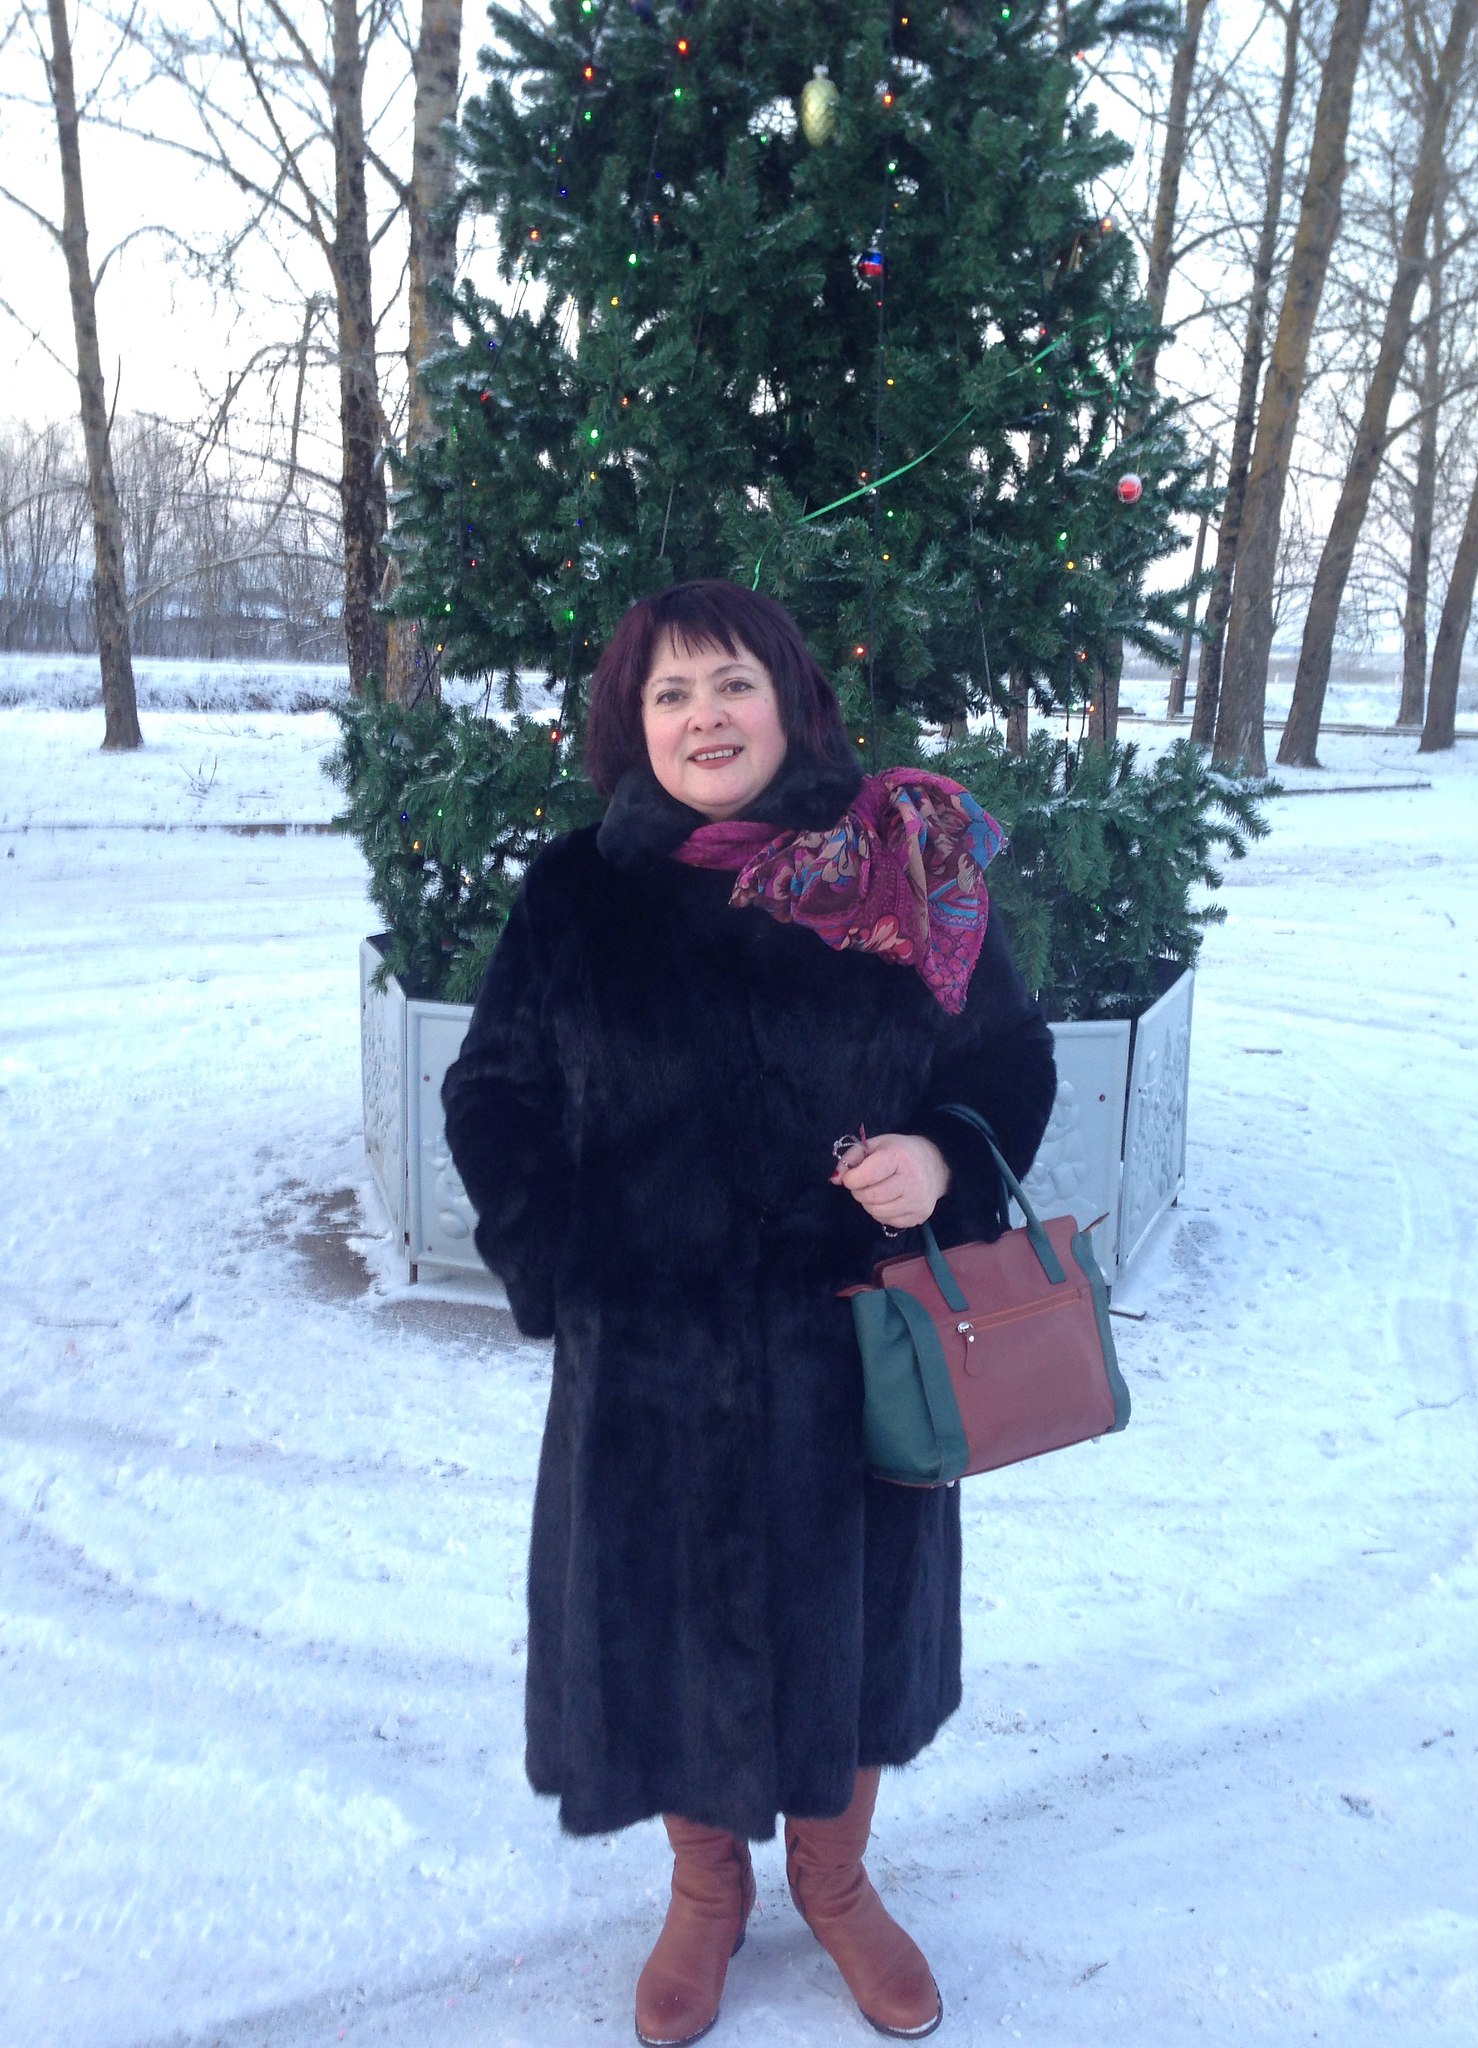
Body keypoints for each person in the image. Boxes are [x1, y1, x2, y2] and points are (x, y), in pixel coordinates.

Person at [441, 581, 1057, 2045]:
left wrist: (946, 1156)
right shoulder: (578, 894)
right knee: (667, 1627)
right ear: (632, 721)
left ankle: (836, 1883)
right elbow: (491, 1095)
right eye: (670, 693)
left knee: (861, 1628)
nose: (703, 717)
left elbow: (1009, 1058)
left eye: (732, 684)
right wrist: (567, 1265)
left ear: (789, 703)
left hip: (857, 1351)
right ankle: (706, 1890)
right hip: (652, 1362)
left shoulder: (897, 860)